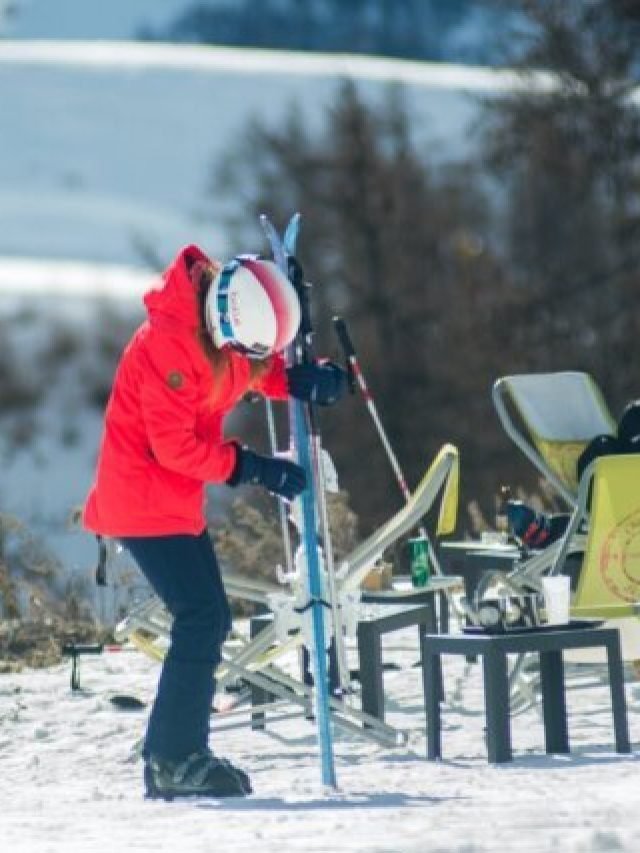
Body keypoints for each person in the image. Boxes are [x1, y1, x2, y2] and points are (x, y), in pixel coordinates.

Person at [82, 245, 346, 800]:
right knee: (201, 617)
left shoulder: (212, 321)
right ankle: (173, 759)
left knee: (207, 617)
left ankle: (178, 752)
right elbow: (175, 447)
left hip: (170, 503)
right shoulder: (168, 347)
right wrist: (251, 466)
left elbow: (242, 370)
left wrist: (297, 379)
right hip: (142, 501)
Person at [506, 399, 640, 548]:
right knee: (604, 447)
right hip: (621, 514)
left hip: (620, 517)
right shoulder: (632, 418)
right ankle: (545, 532)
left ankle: (545, 532)